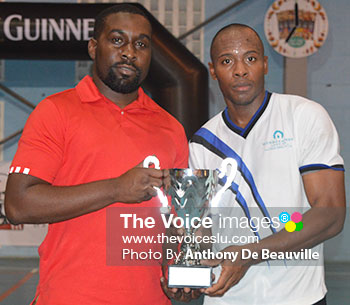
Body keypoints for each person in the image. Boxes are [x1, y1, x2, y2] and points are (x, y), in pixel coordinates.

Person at [4, 4, 189, 305]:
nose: (129, 52)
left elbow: (176, 222)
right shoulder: (55, 112)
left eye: (141, 44)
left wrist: (180, 269)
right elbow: (18, 204)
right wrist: (116, 188)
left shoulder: (171, 128)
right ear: (93, 47)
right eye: (117, 40)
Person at [189, 23, 345, 305]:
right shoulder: (202, 143)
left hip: (298, 299)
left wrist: (250, 253)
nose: (240, 70)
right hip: (227, 299)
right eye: (227, 61)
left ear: (264, 64)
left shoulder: (303, 116)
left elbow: (330, 214)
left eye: (250, 58)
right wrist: (189, 271)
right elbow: (201, 230)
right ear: (213, 71)